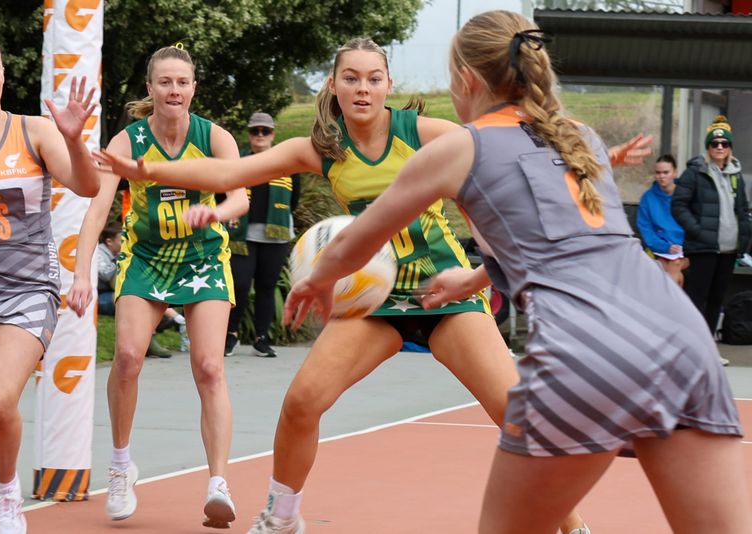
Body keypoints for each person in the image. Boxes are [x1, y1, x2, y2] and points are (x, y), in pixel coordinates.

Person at [95, 35, 653, 534]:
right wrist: (149, 171)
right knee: (302, 404)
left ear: (388, 85)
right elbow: (225, 176)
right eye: (351, 77)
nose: (363, 88)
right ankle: (281, 515)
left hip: (445, 294)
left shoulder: (421, 131)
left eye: (374, 78)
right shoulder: (324, 149)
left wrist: (591, 157)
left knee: (515, 414)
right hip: (373, 300)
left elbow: (509, 146)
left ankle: (573, 525)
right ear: (333, 87)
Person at [276, 11, 752, 533]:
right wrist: (477, 277)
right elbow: (563, 242)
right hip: (679, 338)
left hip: (590, 351)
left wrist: (318, 279)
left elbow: (355, 241)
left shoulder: (459, 146)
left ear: (466, 80)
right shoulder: (579, 137)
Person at [68, 45, 248, 528]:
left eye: (182, 82)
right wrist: (83, 272)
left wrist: (216, 211)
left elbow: (240, 197)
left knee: (209, 366)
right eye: (164, 82)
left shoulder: (215, 138)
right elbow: (97, 210)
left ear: (193, 89)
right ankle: (122, 465)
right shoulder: (127, 142)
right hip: (145, 260)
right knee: (127, 356)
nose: (174, 90)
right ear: (150, 89)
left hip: (204, 258)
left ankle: (218, 484)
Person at [0, 34, 100, 534]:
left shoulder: (34, 131)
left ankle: (6, 492)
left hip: (26, 288)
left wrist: (76, 139)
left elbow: (88, 186)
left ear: (2, 78)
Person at [223, 112, 300, 358]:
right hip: (241, 234)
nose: (259, 135)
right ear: (249, 133)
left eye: (264, 131)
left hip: (275, 235)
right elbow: (222, 192)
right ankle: (231, 335)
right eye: (255, 131)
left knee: (266, 287)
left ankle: (261, 338)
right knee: (240, 285)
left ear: (272, 135)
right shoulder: (238, 162)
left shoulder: (286, 164)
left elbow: (293, 200)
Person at [672, 115, 751, 341]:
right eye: (714, 144)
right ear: (708, 147)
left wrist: (743, 237)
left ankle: (708, 349)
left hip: (728, 250)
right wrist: (697, 231)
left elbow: (742, 209)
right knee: (698, 297)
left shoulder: (736, 174)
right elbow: (678, 205)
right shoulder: (695, 172)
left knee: (717, 299)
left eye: (724, 144)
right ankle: (693, 345)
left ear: (729, 147)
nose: (719, 147)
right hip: (703, 248)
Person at [95, 220, 177, 357]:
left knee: (142, 296)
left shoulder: (113, 254)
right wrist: (124, 259)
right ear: (109, 242)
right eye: (121, 240)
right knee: (131, 301)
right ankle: (157, 331)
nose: (124, 243)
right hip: (98, 297)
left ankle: (157, 328)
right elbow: (106, 275)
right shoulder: (99, 253)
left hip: (111, 292)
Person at [636, 154, 688, 286]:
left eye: (666, 172)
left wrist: (683, 247)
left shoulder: (686, 195)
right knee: (674, 270)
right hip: (659, 250)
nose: (661, 176)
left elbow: (694, 224)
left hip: (686, 251)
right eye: (658, 173)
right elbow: (646, 231)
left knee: (674, 266)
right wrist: (666, 247)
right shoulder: (647, 198)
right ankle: (676, 305)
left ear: (675, 173)